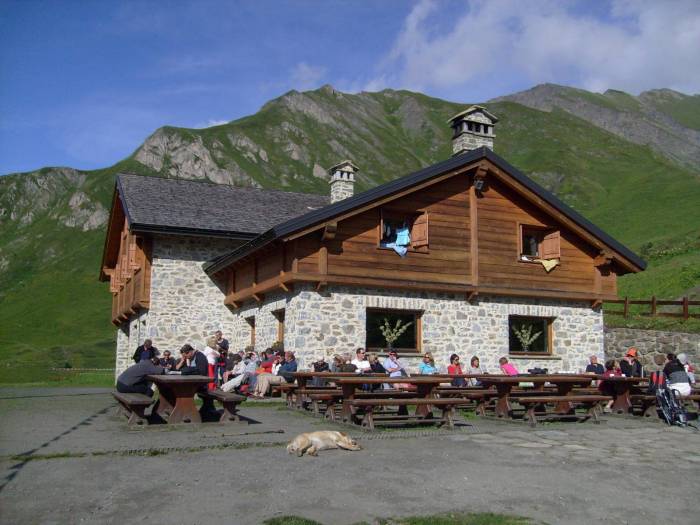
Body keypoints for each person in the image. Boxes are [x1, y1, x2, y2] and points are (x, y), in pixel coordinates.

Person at [177, 344, 216, 416]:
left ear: (190, 352)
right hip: (196, 383)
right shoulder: (193, 357)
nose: (185, 358)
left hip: (202, 384)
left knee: (184, 392)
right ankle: (186, 410)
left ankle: (188, 412)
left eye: (186, 356)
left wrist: (187, 370)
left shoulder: (200, 356)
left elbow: (202, 371)